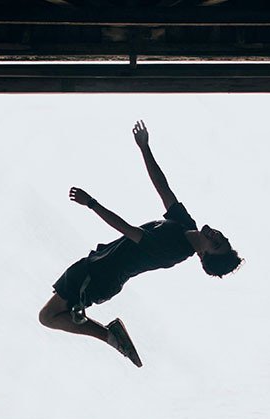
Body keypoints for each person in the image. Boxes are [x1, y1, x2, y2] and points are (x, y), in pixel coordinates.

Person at [38, 120, 242, 367]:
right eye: (223, 239)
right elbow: (162, 186)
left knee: (47, 317)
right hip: (96, 264)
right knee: (49, 316)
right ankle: (111, 336)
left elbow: (126, 229)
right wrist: (145, 148)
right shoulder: (185, 224)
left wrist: (90, 202)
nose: (217, 236)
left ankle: (110, 337)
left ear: (205, 255)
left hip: (99, 276)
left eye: (217, 245)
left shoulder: (174, 250)